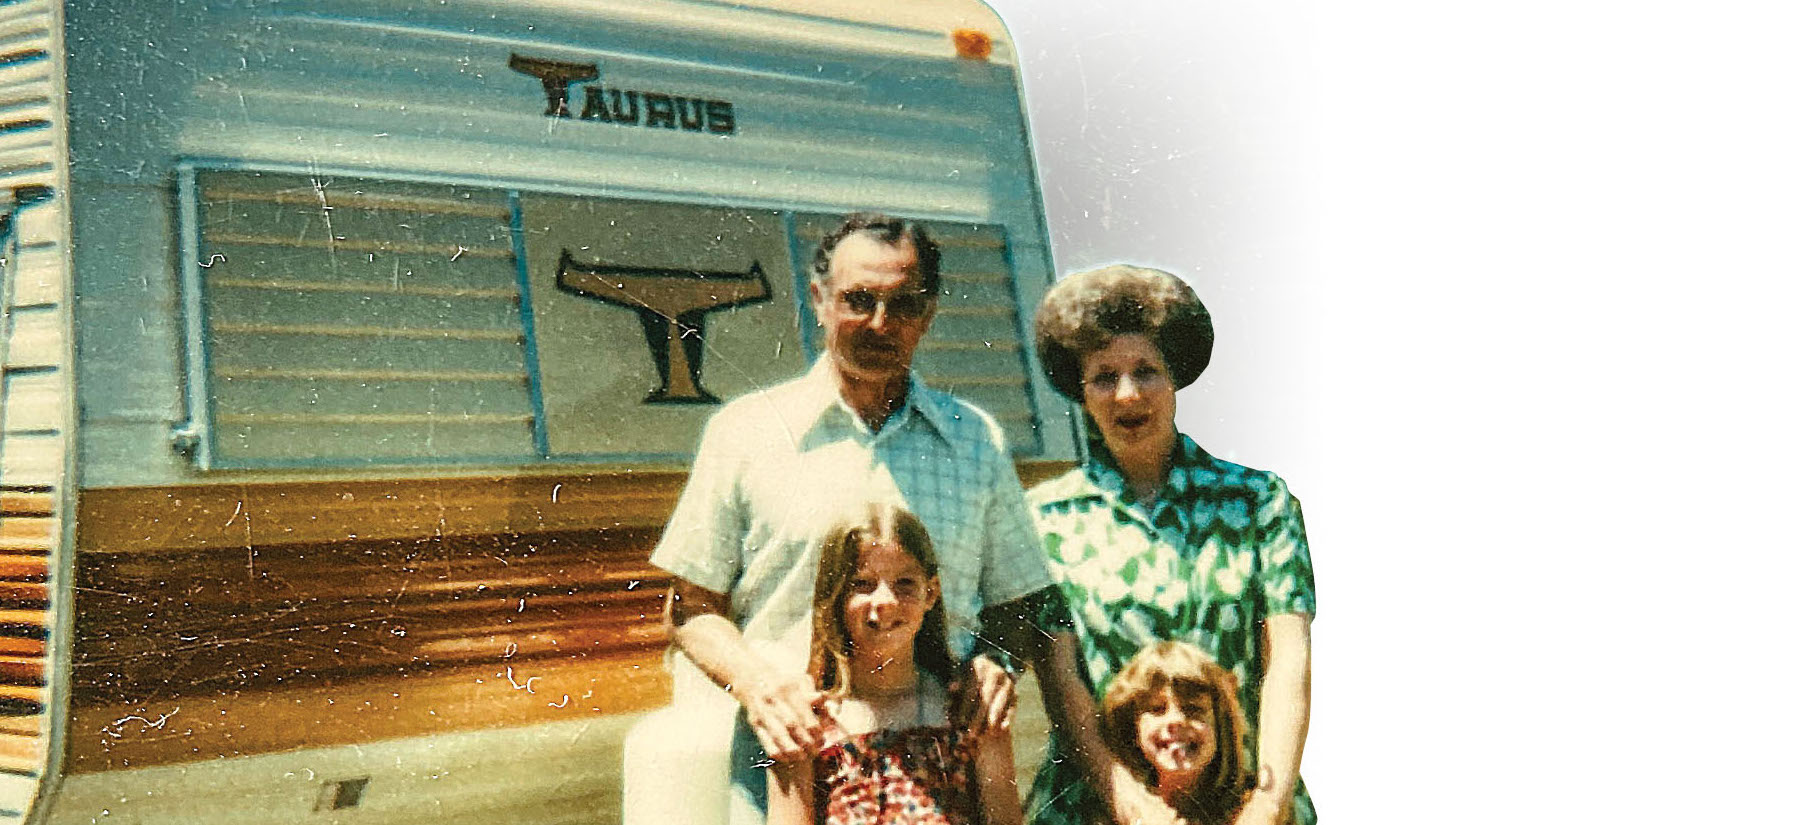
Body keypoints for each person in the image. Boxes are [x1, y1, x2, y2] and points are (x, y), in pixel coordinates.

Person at [654, 213, 1152, 825]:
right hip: (786, 770)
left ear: (930, 312)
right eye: (858, 301)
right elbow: (690, 608)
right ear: (819, 300)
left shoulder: (973, 440)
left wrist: (994, 661)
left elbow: (1019, 600)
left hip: (944, 772)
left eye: (904, 304)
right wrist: (760, 686)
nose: (880, 324)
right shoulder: (747, 433)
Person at [1025, 265, 1317, 825]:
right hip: (1099, 805)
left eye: (1146, 371)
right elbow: (1061, 682)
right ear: (1080, 391)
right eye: (1104, 377)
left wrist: (1268, 802)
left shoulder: (1258, 502)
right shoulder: (1045, 520)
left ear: (1175, 377)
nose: (1127, 394)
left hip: (1244, 796)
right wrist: (1129, 804)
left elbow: (1290, 661)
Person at [766, 502, 1022, 825]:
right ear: (836, 596)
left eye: (904, 584)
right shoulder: (807, 721)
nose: (885, 601)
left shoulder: (969, 708)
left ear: (931, 593)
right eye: (862, 584)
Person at [1098, 642, 1255, 825]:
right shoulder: (1114, 810)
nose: (1176, 720)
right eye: (1157, 709)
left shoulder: (1248, 808)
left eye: (1193, 709)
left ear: (1220, 725)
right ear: (1133, 726)